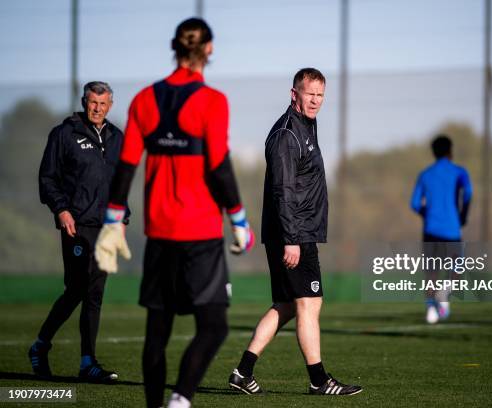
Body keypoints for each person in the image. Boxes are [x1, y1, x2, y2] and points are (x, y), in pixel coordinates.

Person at [94, 18, 254, 408]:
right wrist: (238, 218)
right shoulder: (212, 101)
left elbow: (126, 165)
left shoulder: (144, 99)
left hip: (160, 234)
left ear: (174, 46)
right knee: (213, 326)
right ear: (209, 49)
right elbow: (218, 166)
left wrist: (113, 219)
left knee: (157, 331)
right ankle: (180, 399)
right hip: (200, 231)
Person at [227, 68, 362, 396]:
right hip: (294, 234)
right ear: (294, 94)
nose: (315, 100)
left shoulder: (306, 125)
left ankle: (242, 372)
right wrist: (292, 239)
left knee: (287, 305)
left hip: (295, 232)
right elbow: (282, 190)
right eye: (309, 93)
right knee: (309, 304)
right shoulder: (287, 134)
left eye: (320, 95)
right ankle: (319, 380)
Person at [30, 81, 125, 382]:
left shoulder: (116, 137)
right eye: (92, 102)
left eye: (102, 103)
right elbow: (48, 178)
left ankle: (87, 363)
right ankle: (41, 345)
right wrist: (61, 209)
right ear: (84, 102)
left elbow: (120, 185)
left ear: (110, 104)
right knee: (78, 288)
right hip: (76, 225)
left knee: (94, 292)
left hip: (106, 227)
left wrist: (123, 218)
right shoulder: (64, 134)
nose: (96, 108)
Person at [410, 135, 472, 324]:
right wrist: (463, 215)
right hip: (452, 229)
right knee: (457, 268)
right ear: (450, 151)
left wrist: (427, 214)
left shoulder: (425, 174)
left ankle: (431, 310)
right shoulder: (459, 172)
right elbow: (468, 193)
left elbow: (414, 203)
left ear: (433, 152)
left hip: (430, 230)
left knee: (431, 272)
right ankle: (445, 292)